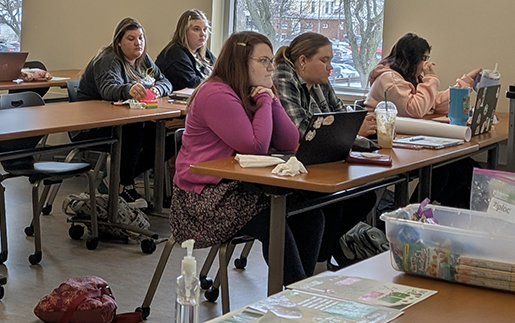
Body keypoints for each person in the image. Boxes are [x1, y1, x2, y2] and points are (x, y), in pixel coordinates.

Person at [170, 31, 324, 285]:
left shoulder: (249, 90)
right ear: (241, 61)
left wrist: (271, 98)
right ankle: (293, 295)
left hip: (237, 189)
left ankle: (298, 289)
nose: (271, 67)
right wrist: (264, 100)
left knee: (310, 214)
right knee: (275, 221)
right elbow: (255, 148)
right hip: (202, 201)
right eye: (263, 61)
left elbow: (289, 141)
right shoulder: (216, 93)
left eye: (271, 60)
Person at [273, 33, 377, 269]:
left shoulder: (320, 81)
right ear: (302, 61)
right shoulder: (282, 76)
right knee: (332, 201)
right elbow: (301, 131)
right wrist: (354, 131)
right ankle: (318, 265)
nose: (330, 68)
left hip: (322, 162)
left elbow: (342, 115)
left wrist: (355, 128)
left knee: (364, 197)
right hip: (292, 166)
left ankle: (323, 257)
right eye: (325, 60)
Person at [365, 32, 481, 208]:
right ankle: (414, 212)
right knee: (440, 172)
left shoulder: (410, 76)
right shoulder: (389, 78)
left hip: (406, 140)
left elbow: (435, 103)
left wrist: (465, 83)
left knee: (462, 166)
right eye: (424, 58)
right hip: (384, 143)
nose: (427, 63)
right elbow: (416, 109)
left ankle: (428, 209)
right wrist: (431, 79)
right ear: (412, 59)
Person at [76, 17, 173, 208]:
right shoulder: (108, 59)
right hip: (92, 124)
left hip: (124, 121)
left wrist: (158, 90)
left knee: (166, 140)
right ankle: (123, 184)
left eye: (141, 37)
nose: (138, 42)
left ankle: (115, 179)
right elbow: (108, 89)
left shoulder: (143, 60)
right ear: (119, 42)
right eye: (131, 38)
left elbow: (165, 81)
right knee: (134, 129)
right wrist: (128, 89)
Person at [155, 9, 216, 91]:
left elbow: (221, 72)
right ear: (184, 31)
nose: (203, 34)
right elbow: (193, 83)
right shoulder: (175, 53)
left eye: (205, 29)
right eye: (196, 29)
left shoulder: (204, 52)